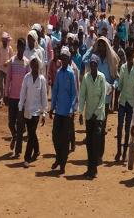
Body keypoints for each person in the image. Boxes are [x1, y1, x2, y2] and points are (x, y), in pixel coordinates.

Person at [49, 46, 77, 175]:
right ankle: (58, 158)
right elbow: (55, 91)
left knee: (65, 139)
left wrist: (72, 109)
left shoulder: (71, 74)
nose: (64, 61)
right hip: (58, 110)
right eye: (62, 59)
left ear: (68, 59)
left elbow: (73, 94)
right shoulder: (59, 73)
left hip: (67, 113)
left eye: (66, 59)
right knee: (55, 136)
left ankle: (62, 164)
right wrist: (52, 107)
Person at [78, 54, 106, 179]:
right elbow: (82, 95)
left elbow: (103, 98)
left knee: (95, 142)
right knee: (89, 143)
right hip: (88, 116)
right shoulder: (86, 78)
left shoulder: (101, 78)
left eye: (95, 64)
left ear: (97, 65)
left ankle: (93, 169)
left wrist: (96, 113)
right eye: (91, 64)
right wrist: (80, 112)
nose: (93, 66)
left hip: (98, 116)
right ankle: (90, 168)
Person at [18, 56, 47, 168]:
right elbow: (22, 93)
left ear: (38, 65)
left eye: (36, 64)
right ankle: (37, 150)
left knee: (30, 134)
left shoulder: (42, 80)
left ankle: (27, 158)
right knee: (32, 133)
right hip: (27, 111)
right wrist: (20, 108)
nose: (34, 66)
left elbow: (44, 96)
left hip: (36, 112)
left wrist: (44, 112)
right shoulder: (27, 78)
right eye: (32, 64)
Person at [4, 38, 29, 157]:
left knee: (20, 125)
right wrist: (5, 94)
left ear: (24, 48)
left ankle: (18, 151)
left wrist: (27, 98)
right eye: (19, 47)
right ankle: (14, 136)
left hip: (22, 99)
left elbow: (28, 82)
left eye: (23, 47)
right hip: (12, 97)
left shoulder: (27, 63)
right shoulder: (12, 61)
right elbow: (8, 79)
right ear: (17, 47)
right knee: (10, 123)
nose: (21, 49)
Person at [116, 47, 134, 162]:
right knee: (119, 127)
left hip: (131, 103)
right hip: (122, 101)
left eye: (130, 58)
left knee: (127, 129)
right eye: (128, 57)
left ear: (133, 58)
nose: (129, 60)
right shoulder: (123, 67)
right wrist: (116, 90)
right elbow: (120, 84)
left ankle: (125, 152)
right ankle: (118, 151)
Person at [0, 32, 13, 108]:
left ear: (7, 41)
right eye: (3, 41)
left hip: (7, 70)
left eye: (5, 41)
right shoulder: (0, 48)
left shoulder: (10, 48)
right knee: (0, 85)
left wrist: (7, 62)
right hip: (1, 69)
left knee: (6, 85)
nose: (4, 42)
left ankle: (6, 99)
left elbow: (12, 59)